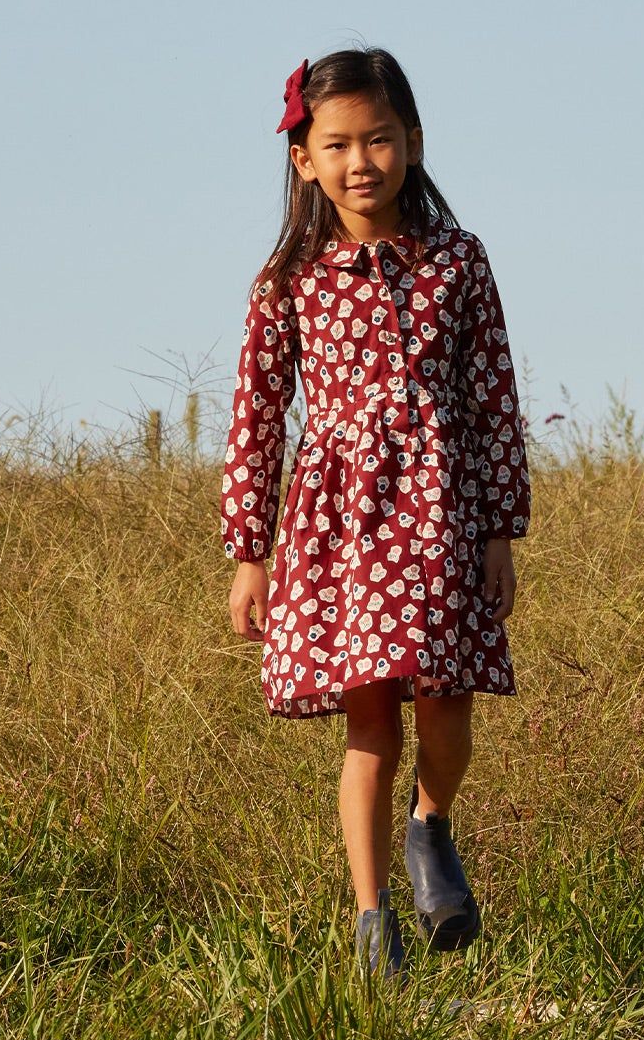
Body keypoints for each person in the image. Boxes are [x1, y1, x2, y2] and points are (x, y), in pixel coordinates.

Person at [220, 47, 531, 982]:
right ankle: (372, 920)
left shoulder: (459, 261)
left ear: (414, 144)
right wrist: (251, 553)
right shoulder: (289, 280)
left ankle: (431, 825)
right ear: (304, 160)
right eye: (340, 144)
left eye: (381, 140)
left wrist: (499, 530)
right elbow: (258, 416)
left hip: (440, 514)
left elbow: (492, 399)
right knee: (370, 728)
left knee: (445, 708)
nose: (363, 161)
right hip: (337, 528)